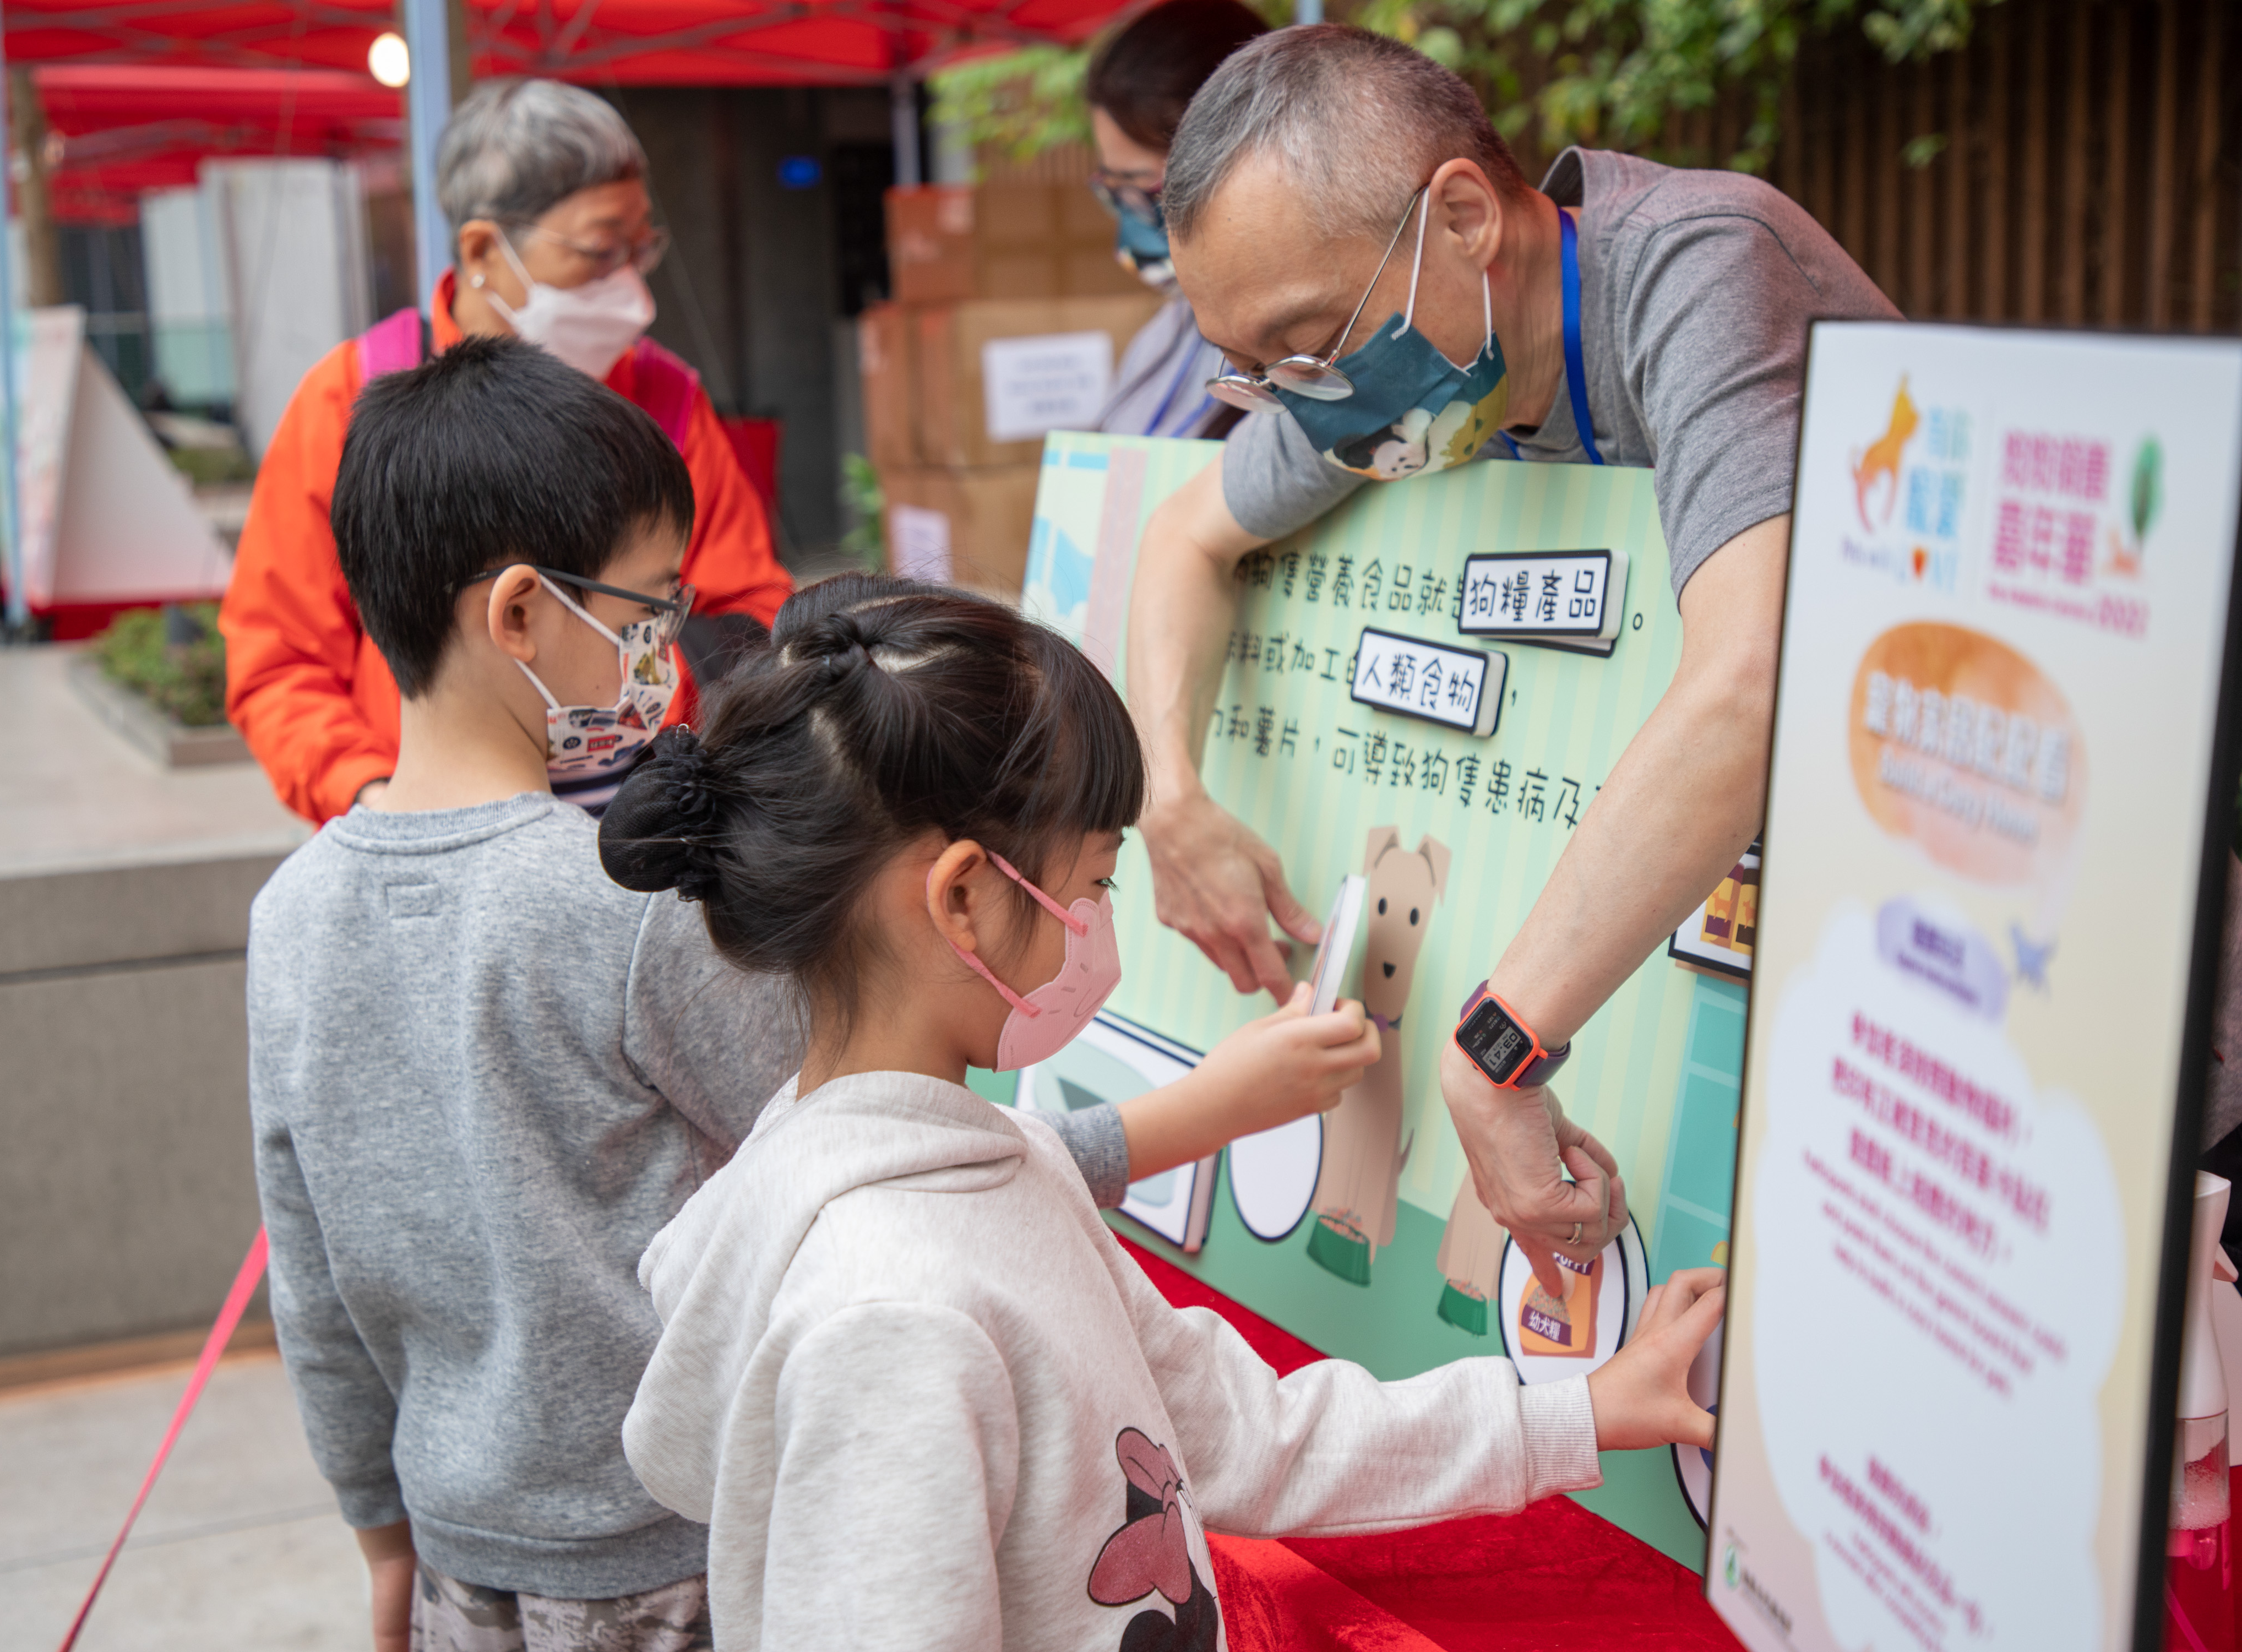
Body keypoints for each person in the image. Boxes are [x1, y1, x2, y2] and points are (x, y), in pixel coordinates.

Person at [250, 337, 1383, 1652]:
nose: (662, 648)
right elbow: (877, 1149)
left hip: (457, 1554)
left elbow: (310, 1279)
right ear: (516, 615)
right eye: (640, 614)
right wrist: (1193, 1114)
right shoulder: (613, 915)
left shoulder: (292, 913)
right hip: (677, 1554)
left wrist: (378, 1528)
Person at [602, 576, 1726, 1651]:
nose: (1101, 928)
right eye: (1091, 886)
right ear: (961, 900)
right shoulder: (892, 1319)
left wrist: (1579, 1412)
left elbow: (1249, 1437)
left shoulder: (1000, 1168)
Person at [1122, 25, 1900, 1294]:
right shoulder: (1396, 386)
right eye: (1264, 377)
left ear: (1466, 215)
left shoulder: (1700, 272)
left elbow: (1758, 679)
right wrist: (1170, 794)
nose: (1303, 404)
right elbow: (1180, 537)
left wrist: (1494, 1046)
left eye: (1307, 349)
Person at [222, 77, 791, 824]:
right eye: (598, 252)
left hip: (647, 841)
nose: (629, 285)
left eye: (640, 246)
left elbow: (748, 613)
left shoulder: (665, 398)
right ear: (485, 248)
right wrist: (374, 799)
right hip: (426, 834)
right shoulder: (348, 403)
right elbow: (279, 660)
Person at [1085, 0, 1267, 441]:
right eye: (1114, 189)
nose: (1131, 214)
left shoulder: (1324, 350)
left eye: (1141, 186)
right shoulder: (1167, 331)